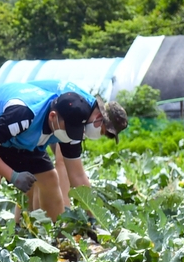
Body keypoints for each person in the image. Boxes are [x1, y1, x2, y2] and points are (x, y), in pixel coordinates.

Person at [0, 83, 95, 228]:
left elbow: (77, 175)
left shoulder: (69, 130)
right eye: (69, 129)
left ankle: (55, 237)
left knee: (49, 179)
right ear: (53, 116)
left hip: (23, 134)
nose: (72, 134)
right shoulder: (24, 114)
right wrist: (12, 175)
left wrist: (92, 216)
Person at [27, 80, 128, 208]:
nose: (99, 135)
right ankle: (42, 218)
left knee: (37, 174)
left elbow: (76, 173)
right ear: (100, 117)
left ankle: (25, 223)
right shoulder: (76, 110)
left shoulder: (86, 107)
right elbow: (63, 162)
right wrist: (66, 210)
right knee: (42, 175)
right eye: (102, 131)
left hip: (37, 121)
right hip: (26, 114)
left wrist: (92, 211)